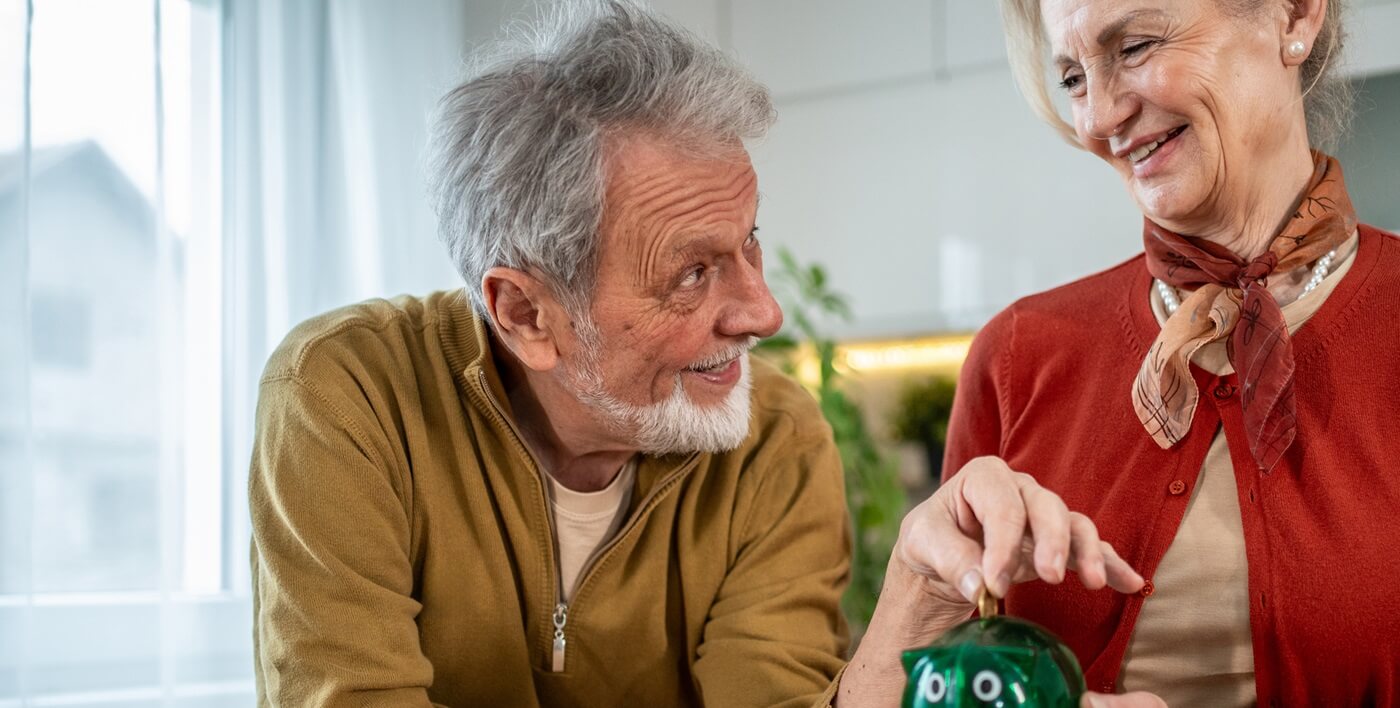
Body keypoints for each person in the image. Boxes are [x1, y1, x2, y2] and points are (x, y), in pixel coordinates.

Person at [249, 2, 856, 706]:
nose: (765, 313)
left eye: (750, 242)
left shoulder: (778, 437)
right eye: (691, 274)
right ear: (526, 314)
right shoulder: (346, 396)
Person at [836, 0, 1400, 706]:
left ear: (1293, 15)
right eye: (1073, 78)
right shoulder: (1018, 355)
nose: (1099, 119)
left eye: (1135, 46)